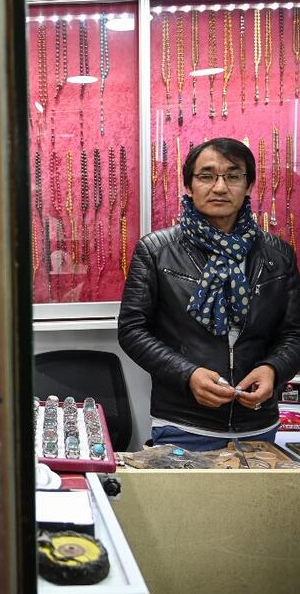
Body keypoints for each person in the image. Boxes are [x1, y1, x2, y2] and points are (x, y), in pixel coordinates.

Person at [118, 137, 300, 451]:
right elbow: (132, 330)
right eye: (207, 176)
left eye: (232, 176)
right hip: (182, 423)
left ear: (248, 185)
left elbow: (294, 332)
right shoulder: (156, 251)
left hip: (258, 425)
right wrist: (187, 374)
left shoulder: (278, 254)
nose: (220, 187)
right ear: (189, 185)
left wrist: (273, 370)